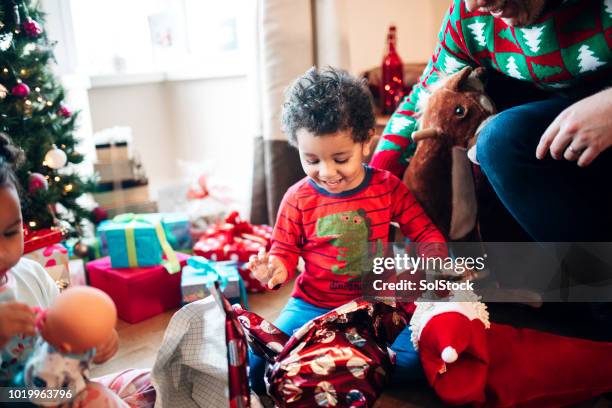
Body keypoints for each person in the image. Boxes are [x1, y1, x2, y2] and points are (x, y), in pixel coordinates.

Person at [246, 67, 448, 394]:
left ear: (366, 142)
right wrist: (274, 269)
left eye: (341, 158)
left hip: (373, 307)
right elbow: (283, 253)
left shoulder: (387, 188)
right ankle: (347, 361)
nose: (327, 172)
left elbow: (425, 232)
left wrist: (434, 260)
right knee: (257, 368)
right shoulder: (297, 198)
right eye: (311, 159)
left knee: (419, 366)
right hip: (310, 305)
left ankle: (340, 360)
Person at [370, 0, 612, 242]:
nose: (477, 4)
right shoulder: (468, 17)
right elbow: (425, 97)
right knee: (495, 133)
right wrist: (373, 187)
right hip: (550, 133)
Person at [0, 134, 154, 407]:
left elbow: (67, 339)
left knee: (149, 381)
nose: (3, 253)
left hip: (63, 390)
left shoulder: (31, 275)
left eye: (10, 233)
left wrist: (95, 341)